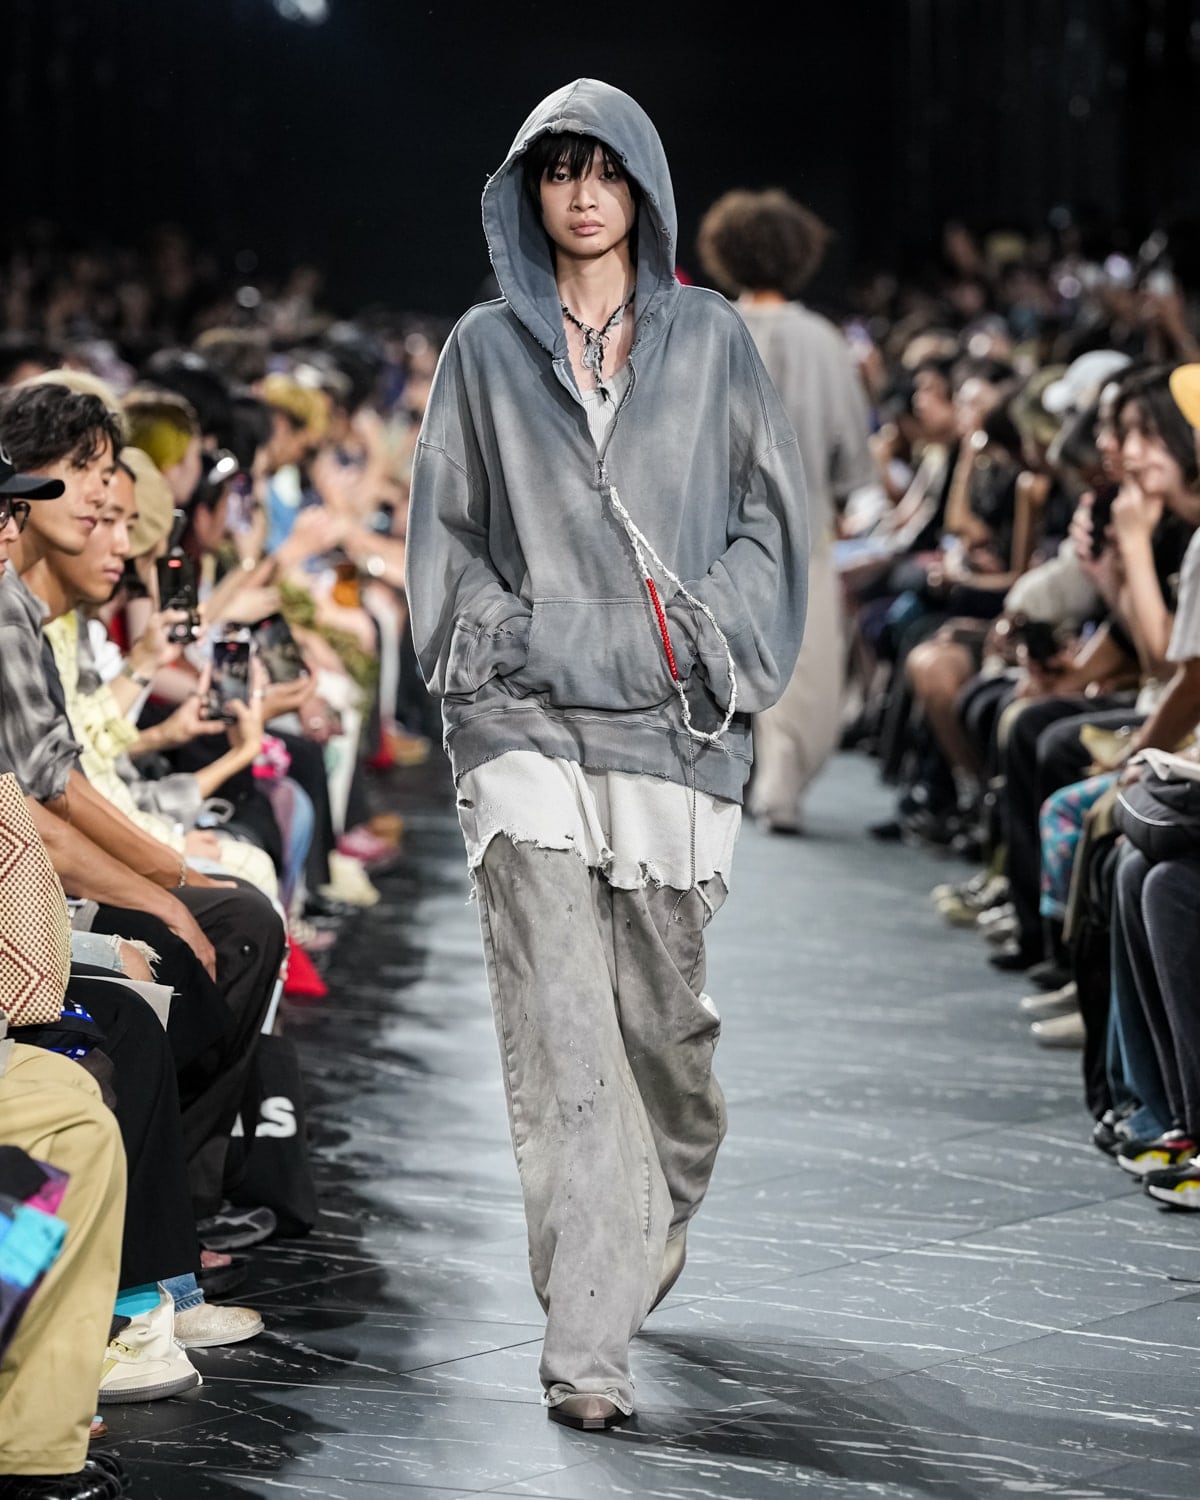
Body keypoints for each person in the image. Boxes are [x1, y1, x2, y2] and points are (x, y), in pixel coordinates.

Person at [406, 79, 808, 1430]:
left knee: (665, 1046)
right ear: (529, 191)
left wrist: (687, 640)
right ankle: (588, 1346)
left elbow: (769, 524)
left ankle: (647, 1219)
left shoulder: (713, 339)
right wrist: (516, 639)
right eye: (558, 170)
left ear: (642, 188)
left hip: (668, 732)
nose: (582, 194)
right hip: (522, 724)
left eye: (604, 170)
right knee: (565, 1028)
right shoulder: (482, 347)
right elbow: (444, 533)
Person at [696, 189, 874, 832]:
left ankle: (715, 774)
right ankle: (781, 789)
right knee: (803, 667)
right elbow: (852, 452)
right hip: (802, 527)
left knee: (712, 647)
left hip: (709, 528)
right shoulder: (825, 341)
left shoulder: (704, 328)